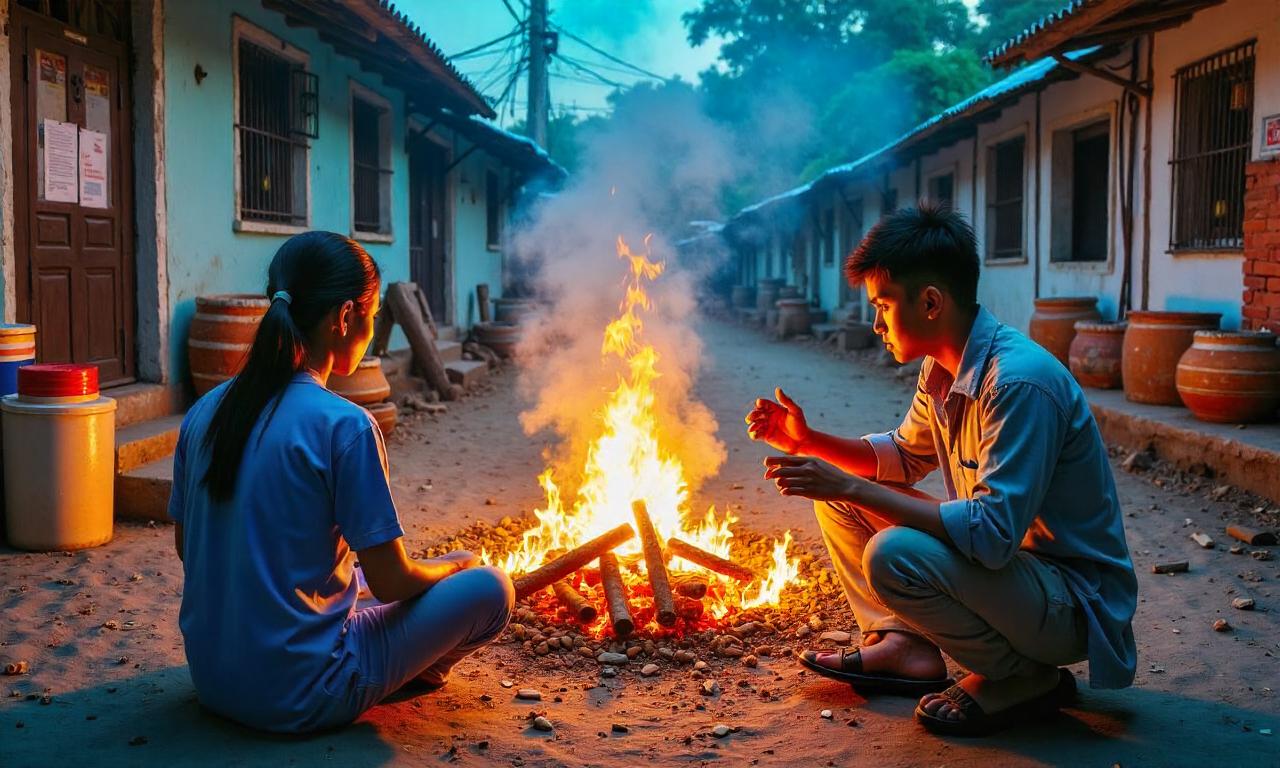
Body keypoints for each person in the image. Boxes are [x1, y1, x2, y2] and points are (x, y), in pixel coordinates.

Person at [746, 203, 1137, 737]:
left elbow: (992, 536)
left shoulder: (1017, 383)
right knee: (840, 497)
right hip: (1014, 577)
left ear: (931, 302)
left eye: (883, 306)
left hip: (1068, 601)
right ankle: (902, 643)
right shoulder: (943, 367)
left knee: (892, 551)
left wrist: (852, 483)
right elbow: (904, 458)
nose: (875, 323)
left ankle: (1022, 675)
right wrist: (809, 442)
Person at [169, 231, 513, 733]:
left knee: (362, 588)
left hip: (215, 682)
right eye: (372, 318)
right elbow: (393, 580)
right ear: (345, 317)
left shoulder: (204, 412)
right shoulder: (345, 425)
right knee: (490, 588)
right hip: (303, 693)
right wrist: (451, 566)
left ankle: (394, 655)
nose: (371, 332)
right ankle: (413, 670)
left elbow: (188, 548)